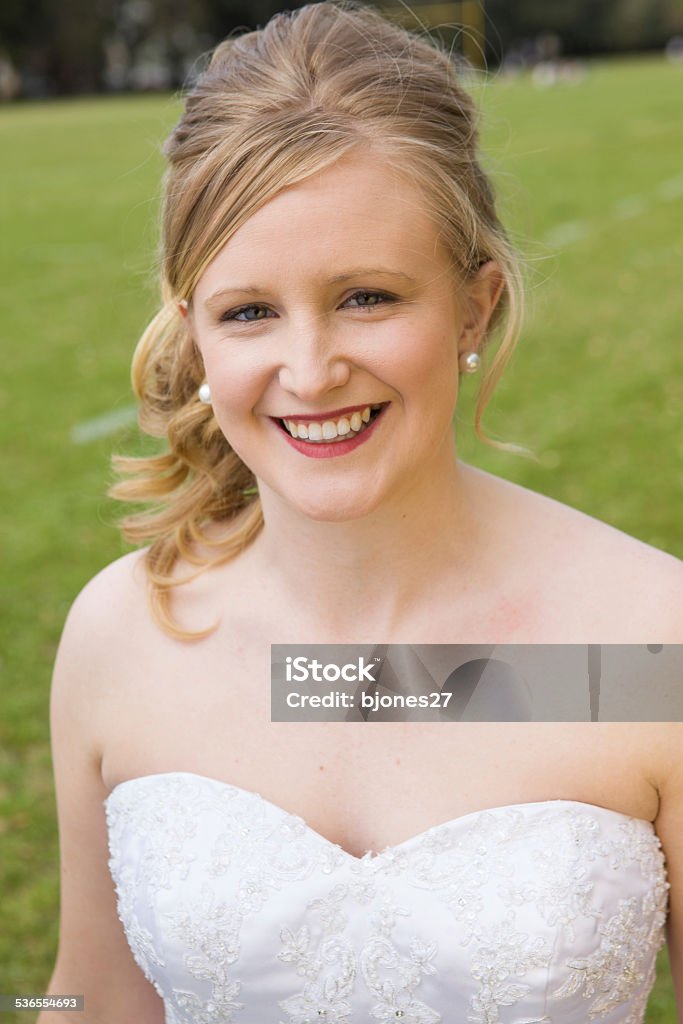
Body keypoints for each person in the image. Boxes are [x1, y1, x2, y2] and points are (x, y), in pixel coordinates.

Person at [41, 2, 683, 1021]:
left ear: (471, 304)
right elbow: (84, 1000)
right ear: (193, 331)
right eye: (248, 311)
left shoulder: (650, 644)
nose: (308, 369)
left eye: (367, 297)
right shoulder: (119, 635)